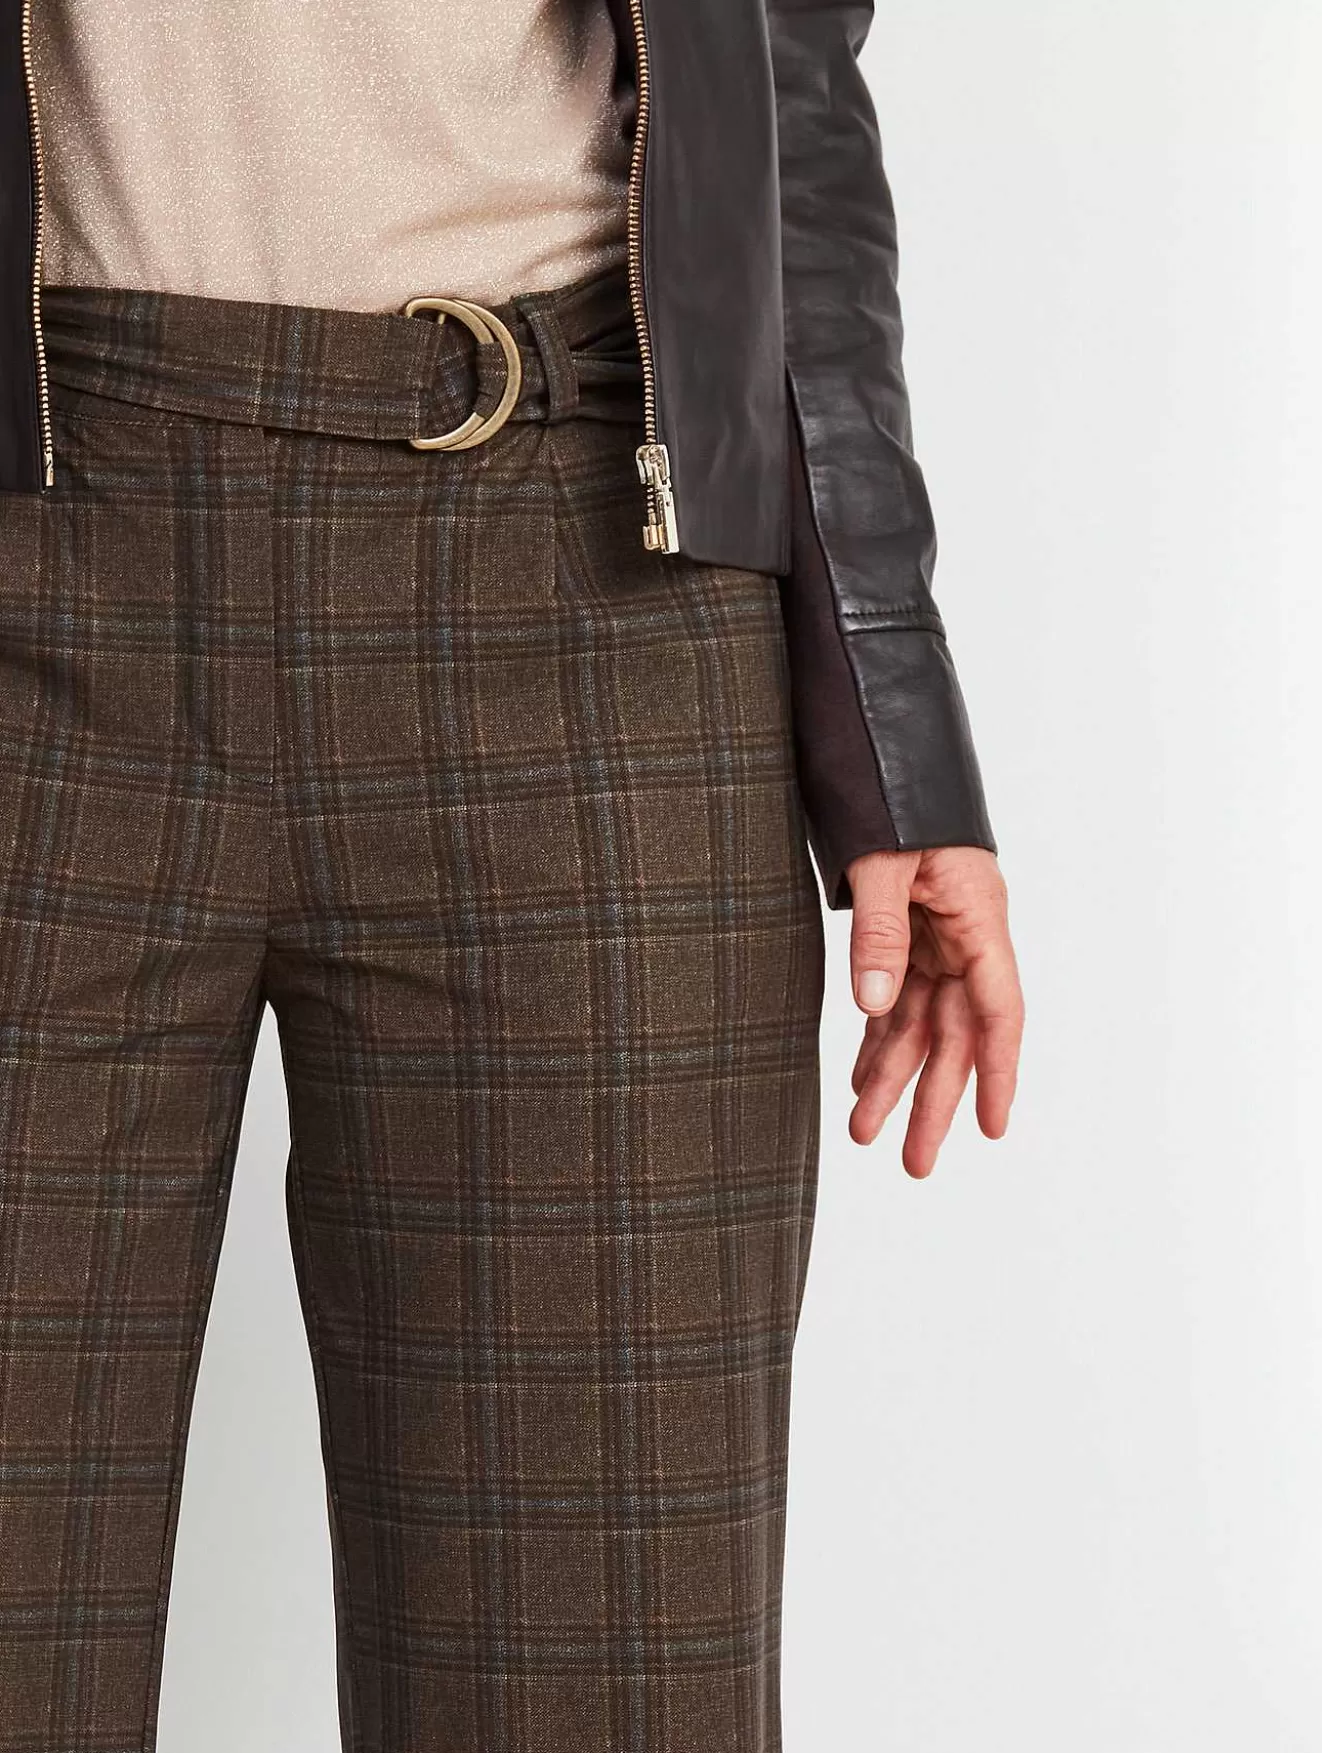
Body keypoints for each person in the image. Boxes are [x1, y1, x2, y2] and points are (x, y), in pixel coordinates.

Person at [0, 3, 1024, 1750]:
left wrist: (888, 724)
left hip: (594, 598)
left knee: (596, 1688)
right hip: (43, 531)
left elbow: (784, 98)